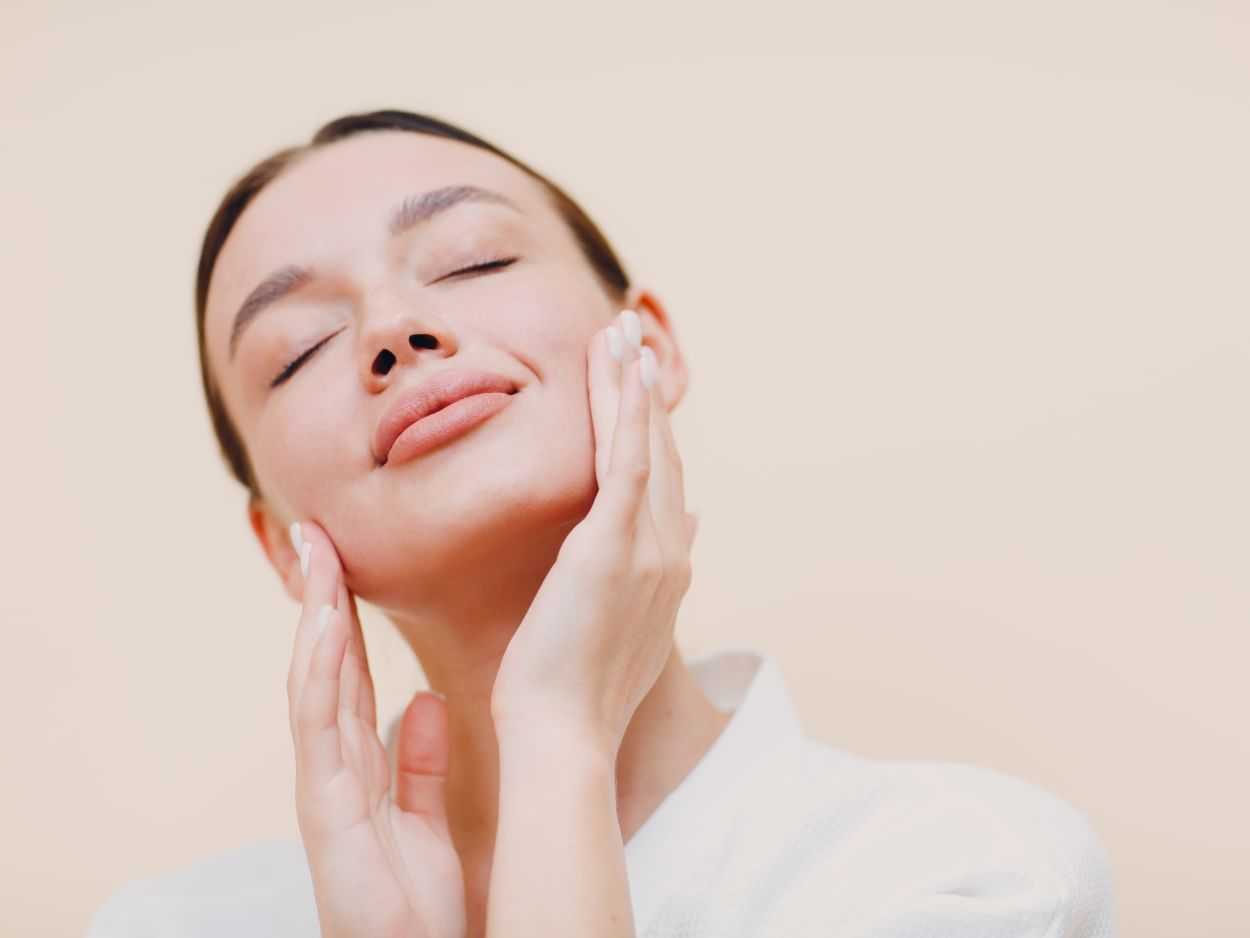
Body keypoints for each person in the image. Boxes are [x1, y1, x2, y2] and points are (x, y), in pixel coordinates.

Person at [86, 109, 1117, 938]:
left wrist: (557, 747)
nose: (393, 331)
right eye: (298, 347)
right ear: (278, 540)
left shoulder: (969, 873)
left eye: (472, 258)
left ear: (648, 346)